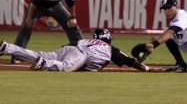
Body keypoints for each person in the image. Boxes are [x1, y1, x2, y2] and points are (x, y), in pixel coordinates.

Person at [11, 0, 83, 64]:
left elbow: (70, 3)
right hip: (38, 7)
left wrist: (73, 17)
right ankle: (17, 55)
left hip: (56, 6)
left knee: (72, 25)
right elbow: (33, 3)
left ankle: (82, 52)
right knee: (26, 26)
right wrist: (29, 18)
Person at [0, 29, 157, 72]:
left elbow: (68, 46)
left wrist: (61, 53)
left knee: (38, 53)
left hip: (71, 47)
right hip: (81, 55)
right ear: (108, 40)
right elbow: (130, 61)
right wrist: (147, 68)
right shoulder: (110, 49)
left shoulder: (88, 40)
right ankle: (44, 64)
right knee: (66, 68)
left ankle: (7, 47)